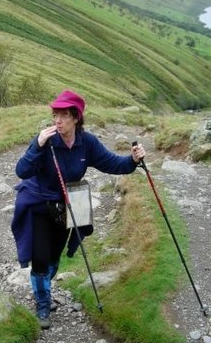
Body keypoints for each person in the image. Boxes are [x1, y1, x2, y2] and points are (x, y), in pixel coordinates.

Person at [11, 89, 145, 329]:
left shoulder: (87, 143)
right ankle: (42, 304)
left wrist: (133, 160)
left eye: (63, 115)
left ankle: (45, 288)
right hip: (39, 204)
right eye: (55, 115)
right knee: (40, 258)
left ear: (76, 117)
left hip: (67, 205)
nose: (57, 121)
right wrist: (38, 145)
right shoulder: (46, 140)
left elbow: (112, 163)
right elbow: (22, 171)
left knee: (54, 257)